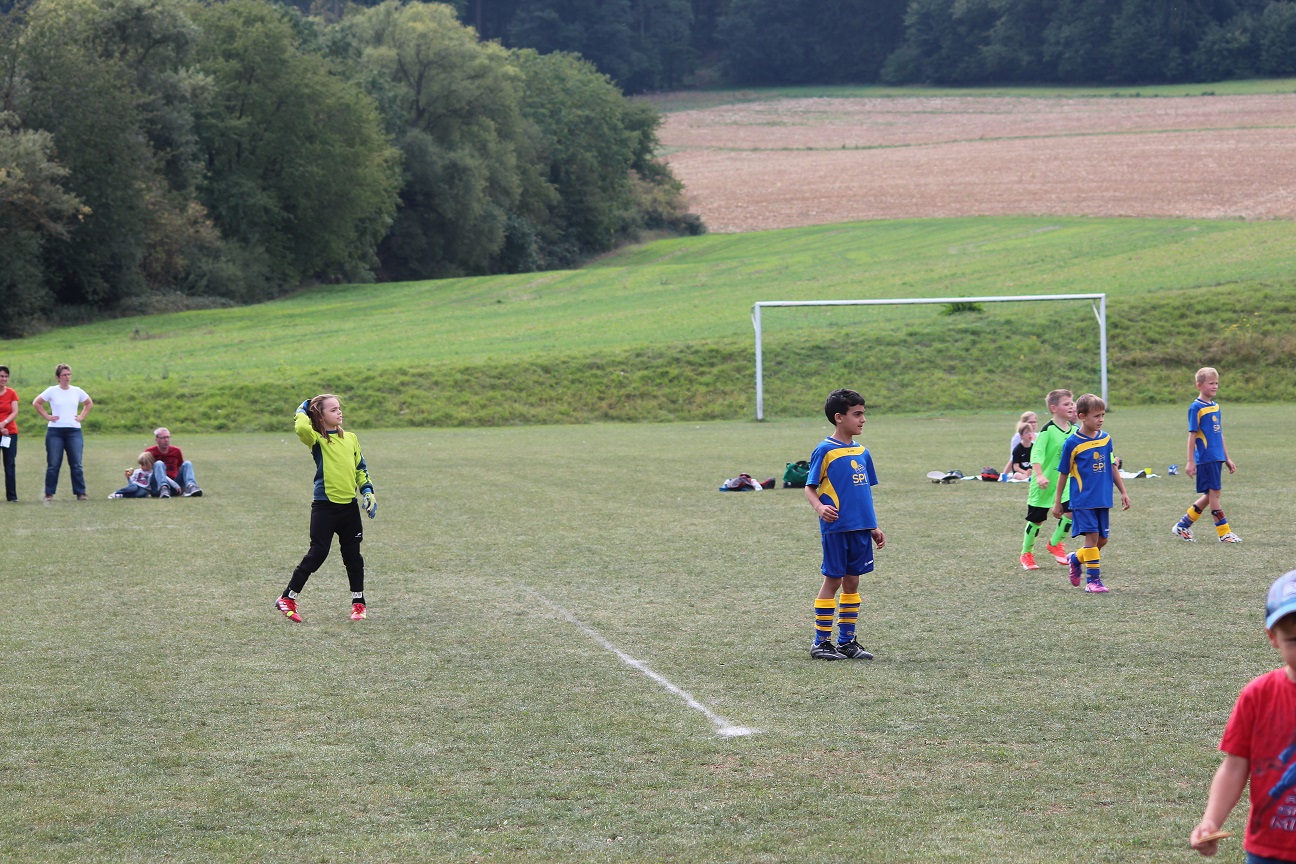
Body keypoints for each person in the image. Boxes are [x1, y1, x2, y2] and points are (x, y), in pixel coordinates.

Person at [1190, 569, 1296, 861]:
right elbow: (1235, 766)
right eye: (1294, 640)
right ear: (1273, 637)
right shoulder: (1259, 695)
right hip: (1268, 848)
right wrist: (1211, 820)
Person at [274, 394, 377, 623]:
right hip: (325, 507)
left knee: (353, 557)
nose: (339, 412)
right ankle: (287, 598)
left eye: (339, 408)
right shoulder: (316, 440)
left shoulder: (351, 438)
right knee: (318, 552)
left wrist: (367, 491)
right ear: (320, 416)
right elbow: (301, 427)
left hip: (349, 508)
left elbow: (360, 468)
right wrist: (303, 406)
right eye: (333, 410)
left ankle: (358, 604)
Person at [804, 388, 885, 661]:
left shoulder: (863, 452)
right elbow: (809, 488)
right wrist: (819, 507)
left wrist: (873, 526)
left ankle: (847, 641)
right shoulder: (825, 450)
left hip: (861, 529)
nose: (863, 420)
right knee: (834, 580)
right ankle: (821, 642)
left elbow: (864, 495)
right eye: (857, 414)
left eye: (863, 414)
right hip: (837, 527)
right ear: (839, 417)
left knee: (852, 582)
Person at [1052, 394, 1130, 594]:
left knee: (1102, 540)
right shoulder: (1072, 443)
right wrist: (1058, 502)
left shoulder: (1106, 439)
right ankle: (1093, 581)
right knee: (1092, 538)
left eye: (1103, 415)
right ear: (1082, 417)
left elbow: (1112, 466)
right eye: (1096, 416)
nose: (1101, 419)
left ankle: (1076, 558)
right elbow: (1063, 474)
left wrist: (1123, 491)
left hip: (1102, 498)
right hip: (1083, 499)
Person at [1173, 366, 1240, 543]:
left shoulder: (1216, 407)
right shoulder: (1196, 407)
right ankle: (1224, 533)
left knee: (1211, 495)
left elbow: (1220, 434)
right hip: (1206, 458)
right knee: (1215, 494)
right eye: (1211, 383)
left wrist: (1227, 457)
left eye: (1216, 383)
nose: (1215, 386)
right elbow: (1192, 436)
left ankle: (1183, 525)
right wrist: (1190, 461)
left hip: (1217, 457)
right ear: (1199, 385)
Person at [1020, 390, 1076, 571]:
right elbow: (1036, 454)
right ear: (1054, 408)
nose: (1071, 406)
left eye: (1072, 403)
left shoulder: (1075, 431)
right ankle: (1026, 553)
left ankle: (1055, 543)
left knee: (1072, 510)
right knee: (1037, 520)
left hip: (1066, 482)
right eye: (1066, 404)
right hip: (1044, 483)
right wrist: (1040, 475)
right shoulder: (1047, 431)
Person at [32, 363, 93, 502]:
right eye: (64, 375)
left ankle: (81, 492)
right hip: (55, 431)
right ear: (58, 377)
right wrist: (47, 416)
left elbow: (88, 403)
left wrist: (82, 416)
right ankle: (49, 493)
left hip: (74, 431)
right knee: (53, 464)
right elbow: (36, 402)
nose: (67, 377)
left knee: (76, 463)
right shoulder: (51, 391)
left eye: (68, 374)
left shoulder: (77, 391)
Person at [145, 427, 202, 498]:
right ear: (156, 439)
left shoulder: (176, 451)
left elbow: (180, 466)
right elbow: (145, 470)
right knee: (159, 463)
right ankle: (164, 488)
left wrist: (175, 484)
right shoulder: (150, 451)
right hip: (157, 487)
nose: (166, 440)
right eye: (163, 438)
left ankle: (191, 487)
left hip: (176, 486)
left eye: (168, 437)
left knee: (187, 463)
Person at [0, 365, 18, 502]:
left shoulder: (11, 393)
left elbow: (14, 412)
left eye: (6, 376)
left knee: (9, 464)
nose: (4, 379)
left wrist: (4, 423)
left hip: (9, 433)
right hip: (2, 430)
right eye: (1, 376)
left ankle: (12, 497)